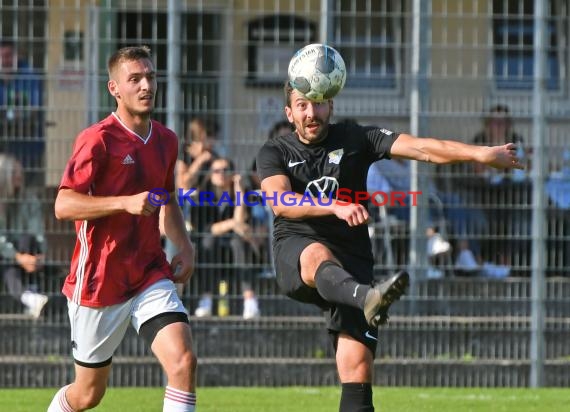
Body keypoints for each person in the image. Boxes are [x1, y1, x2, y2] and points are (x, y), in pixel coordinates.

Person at [255, 80, 523, 412]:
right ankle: (368, 297)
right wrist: (335, 206)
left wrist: (479, 152)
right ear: (289, 112)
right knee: (316, 254)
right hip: (296, 249)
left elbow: (423, 147)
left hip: (351, 257)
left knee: (358, 371)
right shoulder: (275, 150)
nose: (312, 113)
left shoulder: (356, 138)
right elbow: (279, 201)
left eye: (319, 103)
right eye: (302, 105)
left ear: (331, 106)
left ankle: (364, 297)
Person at [48, 46, 197, 412]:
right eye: (135, 79)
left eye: (150, 77)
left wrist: (184, 244)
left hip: (149, 272)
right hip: (99, 281)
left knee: (183, 362)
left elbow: (168, 198)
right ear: (114, 88)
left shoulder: (166, 140)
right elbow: (64, 204)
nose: (146, 85)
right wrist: (123, 202)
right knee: (88, 395)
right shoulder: (97, 139)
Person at [190, 157, 261, 319]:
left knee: (237, 240)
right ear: (210, 175)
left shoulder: (243, 195)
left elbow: (242, 223)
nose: (221, 174)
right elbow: (205, 229)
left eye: (225, 170)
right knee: (209, 240)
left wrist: (239, 191)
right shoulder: (202, 197)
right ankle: (206, 300)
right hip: (210, 255)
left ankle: (250, 302)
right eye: (216, 170)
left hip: (237, 254)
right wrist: (231, 224)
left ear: (233, 174)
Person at [0, 153, 48, 318]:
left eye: (20, 172)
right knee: (6, 262)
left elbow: (37, 230)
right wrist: (17, 257)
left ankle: (31, 296)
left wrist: (41, 253)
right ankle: (29, 296)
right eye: (14, 172)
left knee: (26, 238)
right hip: (7, 256)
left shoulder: (28, 200)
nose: (20, 176)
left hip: (24, 251)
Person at [0, 39, 44, 186]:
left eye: (8, 56)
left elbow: (32, 110)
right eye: (2, 57)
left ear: (16, 56)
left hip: (28, 146)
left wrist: (7, 115)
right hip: (4, 146)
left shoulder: (29, 76)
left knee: (26, 191)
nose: (5, 61)